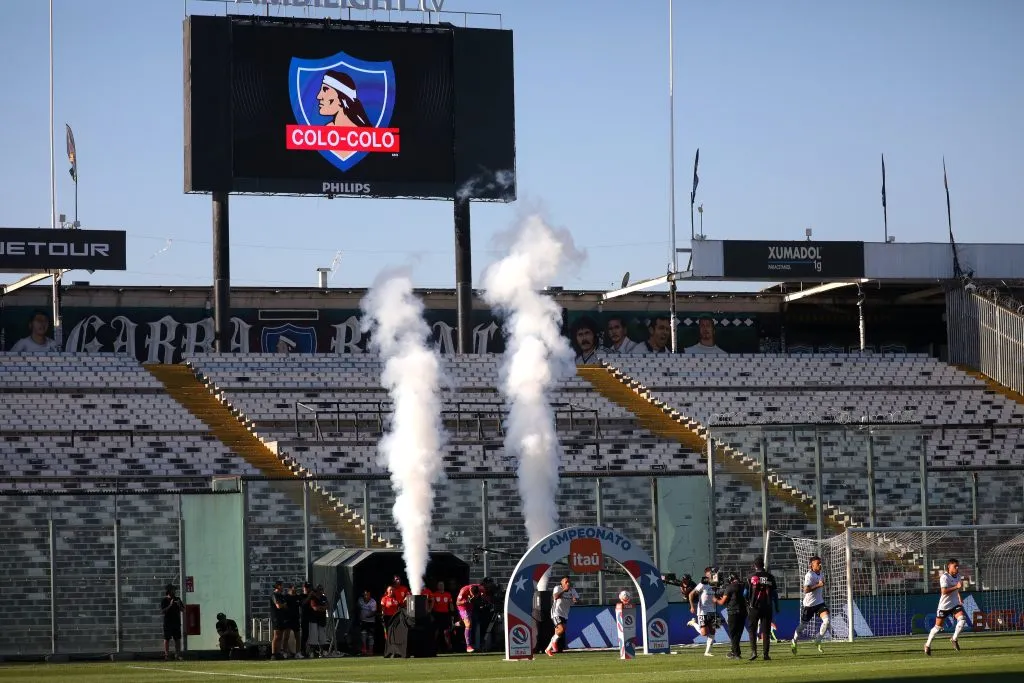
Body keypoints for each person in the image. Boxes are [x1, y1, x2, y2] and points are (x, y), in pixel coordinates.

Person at [925, 558, 968, 655]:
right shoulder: (944, 577)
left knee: (962, 619)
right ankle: (927, 645)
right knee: (937, 628)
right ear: (949, 566)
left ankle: (954, 638)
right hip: (944, 606)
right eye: (955, 566)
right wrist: (956, 587)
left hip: (955, 604)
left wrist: (959, 597)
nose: (957, 568)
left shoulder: (958, 576)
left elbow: (957, 589)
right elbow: (944, 592)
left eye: (957, 566)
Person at [791, 555, 830, 655]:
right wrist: (818, 585)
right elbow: (806, 590)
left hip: (819, 603)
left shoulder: (821, 573)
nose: (820, 565)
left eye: (820, 562)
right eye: (818, 563)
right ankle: (794, 640)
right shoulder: (809, 575)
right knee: (802, 626)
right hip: (809, 605)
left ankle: (818, 640)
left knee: (827, 621)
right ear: (812, 565)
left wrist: (821, 585)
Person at [746, 557, 780, 661]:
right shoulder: (770, 577)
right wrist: (777, 606)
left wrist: (747, 603)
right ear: (763, 565)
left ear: (755, 566)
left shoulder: (750, 577)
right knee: (766, 631)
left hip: (754, 607)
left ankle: (753, 652)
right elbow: (774, 594)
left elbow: (745, 593)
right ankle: (766, 654)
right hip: (767, 607)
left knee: (752, 630)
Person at [688, 567, 720, 657]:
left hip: (713, 611)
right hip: (703, 611)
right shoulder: (702, 584)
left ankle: (707, 652)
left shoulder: (716, 584)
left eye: (714, 572)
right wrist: (692, 606)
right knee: (704, 633)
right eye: (711, 572)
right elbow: (691, 594)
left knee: (713, 631)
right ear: (706, 574)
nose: (713, 574)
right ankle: (694, 623)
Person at [715, 573, 747, 659]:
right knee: (738, 633)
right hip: (743, 611)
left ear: (730, 579)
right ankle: (734, 651)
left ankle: (737, 654)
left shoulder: (730, 587)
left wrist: (715, 599)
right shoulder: (743, 585)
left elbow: (722, 602)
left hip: (733, 612)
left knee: (733, 633)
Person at [545, 576, 579, 657]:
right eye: (566, 582)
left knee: (558, 632)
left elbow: (577, 600)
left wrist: (575, 600)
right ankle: (553, 643)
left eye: (569, 582)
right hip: (556, 612)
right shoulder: (558, 588)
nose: (568, 583)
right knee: (562, 629)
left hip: (565, 614)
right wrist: (564, 590)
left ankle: (547, 649)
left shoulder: (572, 590)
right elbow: (555, 597)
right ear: (562, 582)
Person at [160, 583, 184, 661]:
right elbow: (163, 611)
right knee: (167, 638)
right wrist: (170, 605)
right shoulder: (164, 600)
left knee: (177, 639)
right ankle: (166, 654)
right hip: (168, 622)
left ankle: (177, 654)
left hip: (176, 622)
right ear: (169, 591)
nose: (174, 591)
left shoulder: (178, 599)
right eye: (173, 590)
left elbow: (183, 610)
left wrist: (179, 605)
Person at [455, 583, 481, 653]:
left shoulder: (479, 588)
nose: (474, 596)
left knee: (467, 624)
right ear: (470, 591)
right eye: (473, 595)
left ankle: (455, 624)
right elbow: (457, 603)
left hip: (470, 607)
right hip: (463, 607)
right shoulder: (463, 590)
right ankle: (468, 646)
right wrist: (466, 601)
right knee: (468, 624)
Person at [431, 580, 454, 651]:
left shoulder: (448, 594)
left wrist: (452, 614)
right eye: (439, 585)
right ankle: (433, 647)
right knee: (436, 631)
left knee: (446, 631)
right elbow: (432, 605)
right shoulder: (434, 594)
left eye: (442, 585)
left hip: (445, 615)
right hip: (437, 615)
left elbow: (451, 606)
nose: (441, 586)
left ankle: (449, 647)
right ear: (437, 586)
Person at [270, 581, 287, 660]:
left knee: (280, 636)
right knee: (276, 636)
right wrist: (283, 605)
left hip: (282, 618)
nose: (283, 587)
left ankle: (278, 652)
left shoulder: (281, 595)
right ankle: (273, 653)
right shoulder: (274, 595)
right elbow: (278, 606)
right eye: (282, 586)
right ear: (278, 586)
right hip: (276, 618)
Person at [357, 589, 377, 655]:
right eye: (365, 594)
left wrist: (368, 616)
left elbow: (374, 612)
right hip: (363, 621)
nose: (366, 596)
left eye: (367, 595)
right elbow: (358, 608)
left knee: (370, 636)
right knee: (363, 635)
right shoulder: (360, 600)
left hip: (371, 621)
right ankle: (364, 650)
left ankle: (371, 651)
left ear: (370, 595)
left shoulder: (373, 602)